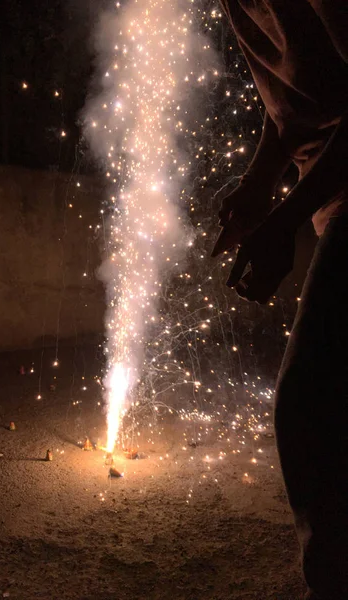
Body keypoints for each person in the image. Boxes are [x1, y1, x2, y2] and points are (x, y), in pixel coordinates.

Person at [211, 3, 348, 599]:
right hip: (329, 198)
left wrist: (284, 221)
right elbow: (288, 108)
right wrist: (259, 184)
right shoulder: (236, 6)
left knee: (308, 398)